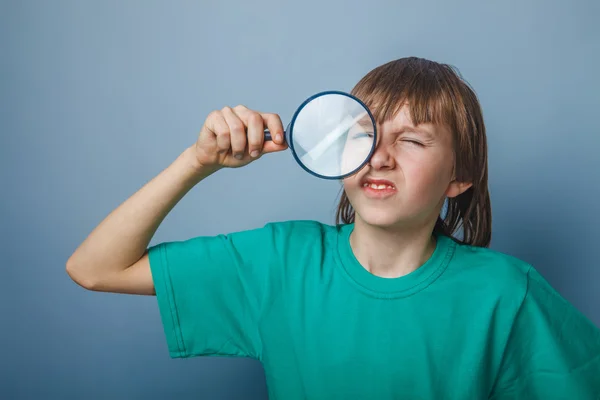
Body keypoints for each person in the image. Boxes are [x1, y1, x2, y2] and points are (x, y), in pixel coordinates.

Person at [66, 57, 600, 399]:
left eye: (412, 140)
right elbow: (94, 267)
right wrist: (196, 163)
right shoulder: (280, 261)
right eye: (363, 135)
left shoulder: (507, 294)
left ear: (458, 177)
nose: (379, 158)